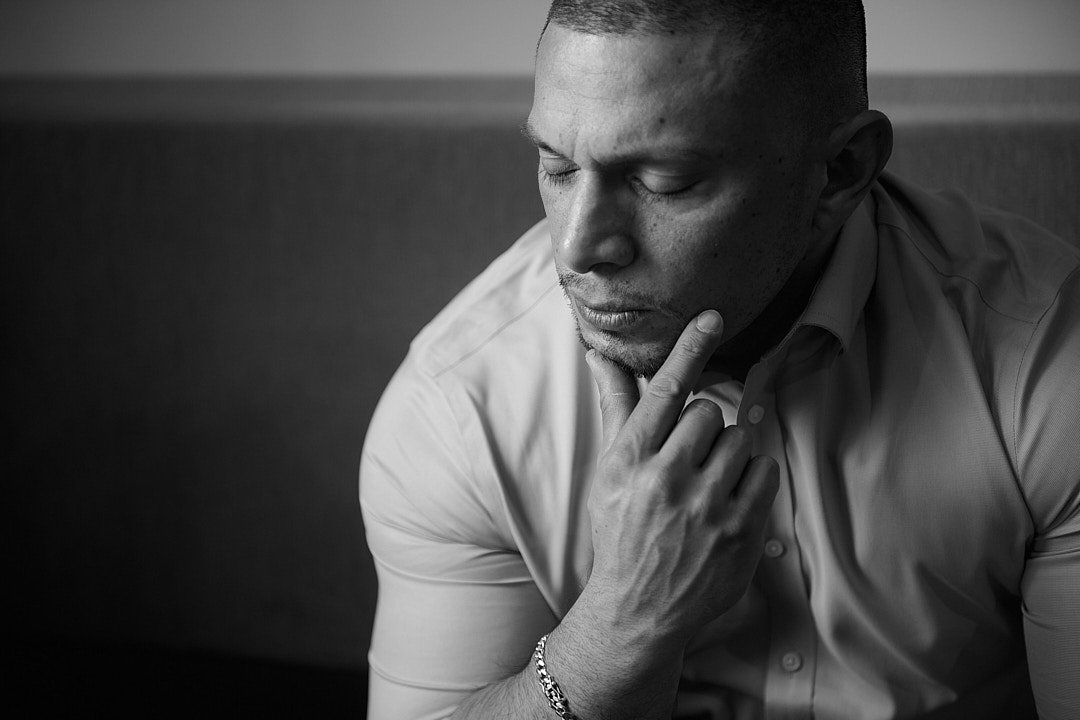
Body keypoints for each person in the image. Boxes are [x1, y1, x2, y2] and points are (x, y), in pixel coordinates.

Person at [359, 1, 1080, 718]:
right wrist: (614, 632)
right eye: (557, 166)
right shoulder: (461, 405)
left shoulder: (1047, 360)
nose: (578, 247)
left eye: (663, 182)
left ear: (838, 172)